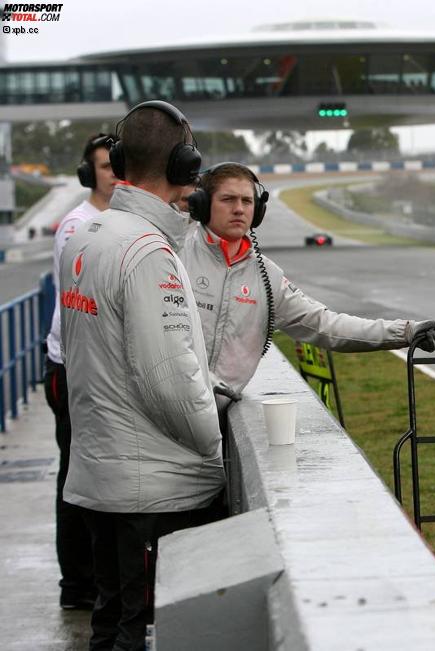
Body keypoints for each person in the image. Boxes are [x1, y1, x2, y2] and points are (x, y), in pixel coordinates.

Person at [59, 100, 223, 651]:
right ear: (185, 166)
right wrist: (214, 448)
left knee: (110, 622)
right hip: (150, 491)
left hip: (98, 475)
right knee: (140, 629)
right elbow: (168, 380)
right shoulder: (149, 250)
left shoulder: (85, 235)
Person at [180, 162, 435, 413]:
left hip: (214, 428)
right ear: (202, 205)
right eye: (228, 199)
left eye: (247, 201)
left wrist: (407, 331)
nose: (239, 208)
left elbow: (326, 325)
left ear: (258, 210)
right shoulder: (173, 254)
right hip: (160, 426)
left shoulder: (268, 277)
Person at [42, 132, 117, 610]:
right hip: (72, 367)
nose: (114, 174)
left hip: (97, 366)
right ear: (90, 174)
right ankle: (77, 585)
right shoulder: (77, 226)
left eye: (120, 165)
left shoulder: (121, 220)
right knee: (75, 477)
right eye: (106, 166)